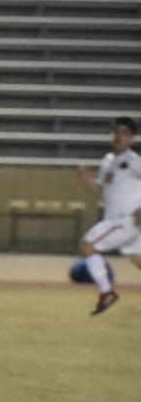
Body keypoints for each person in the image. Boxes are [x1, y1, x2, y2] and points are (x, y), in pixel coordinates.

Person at [72, 116, 141, 315]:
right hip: (121, 221)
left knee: (88, 246)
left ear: (132, 138)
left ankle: (106, 291)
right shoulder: (108, 161)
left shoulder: (133, 161)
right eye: (116, 132)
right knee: (138, 259)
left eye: (125, 133)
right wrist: (86, 180)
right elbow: (103, 193)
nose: (119, 136)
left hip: (125, 220)